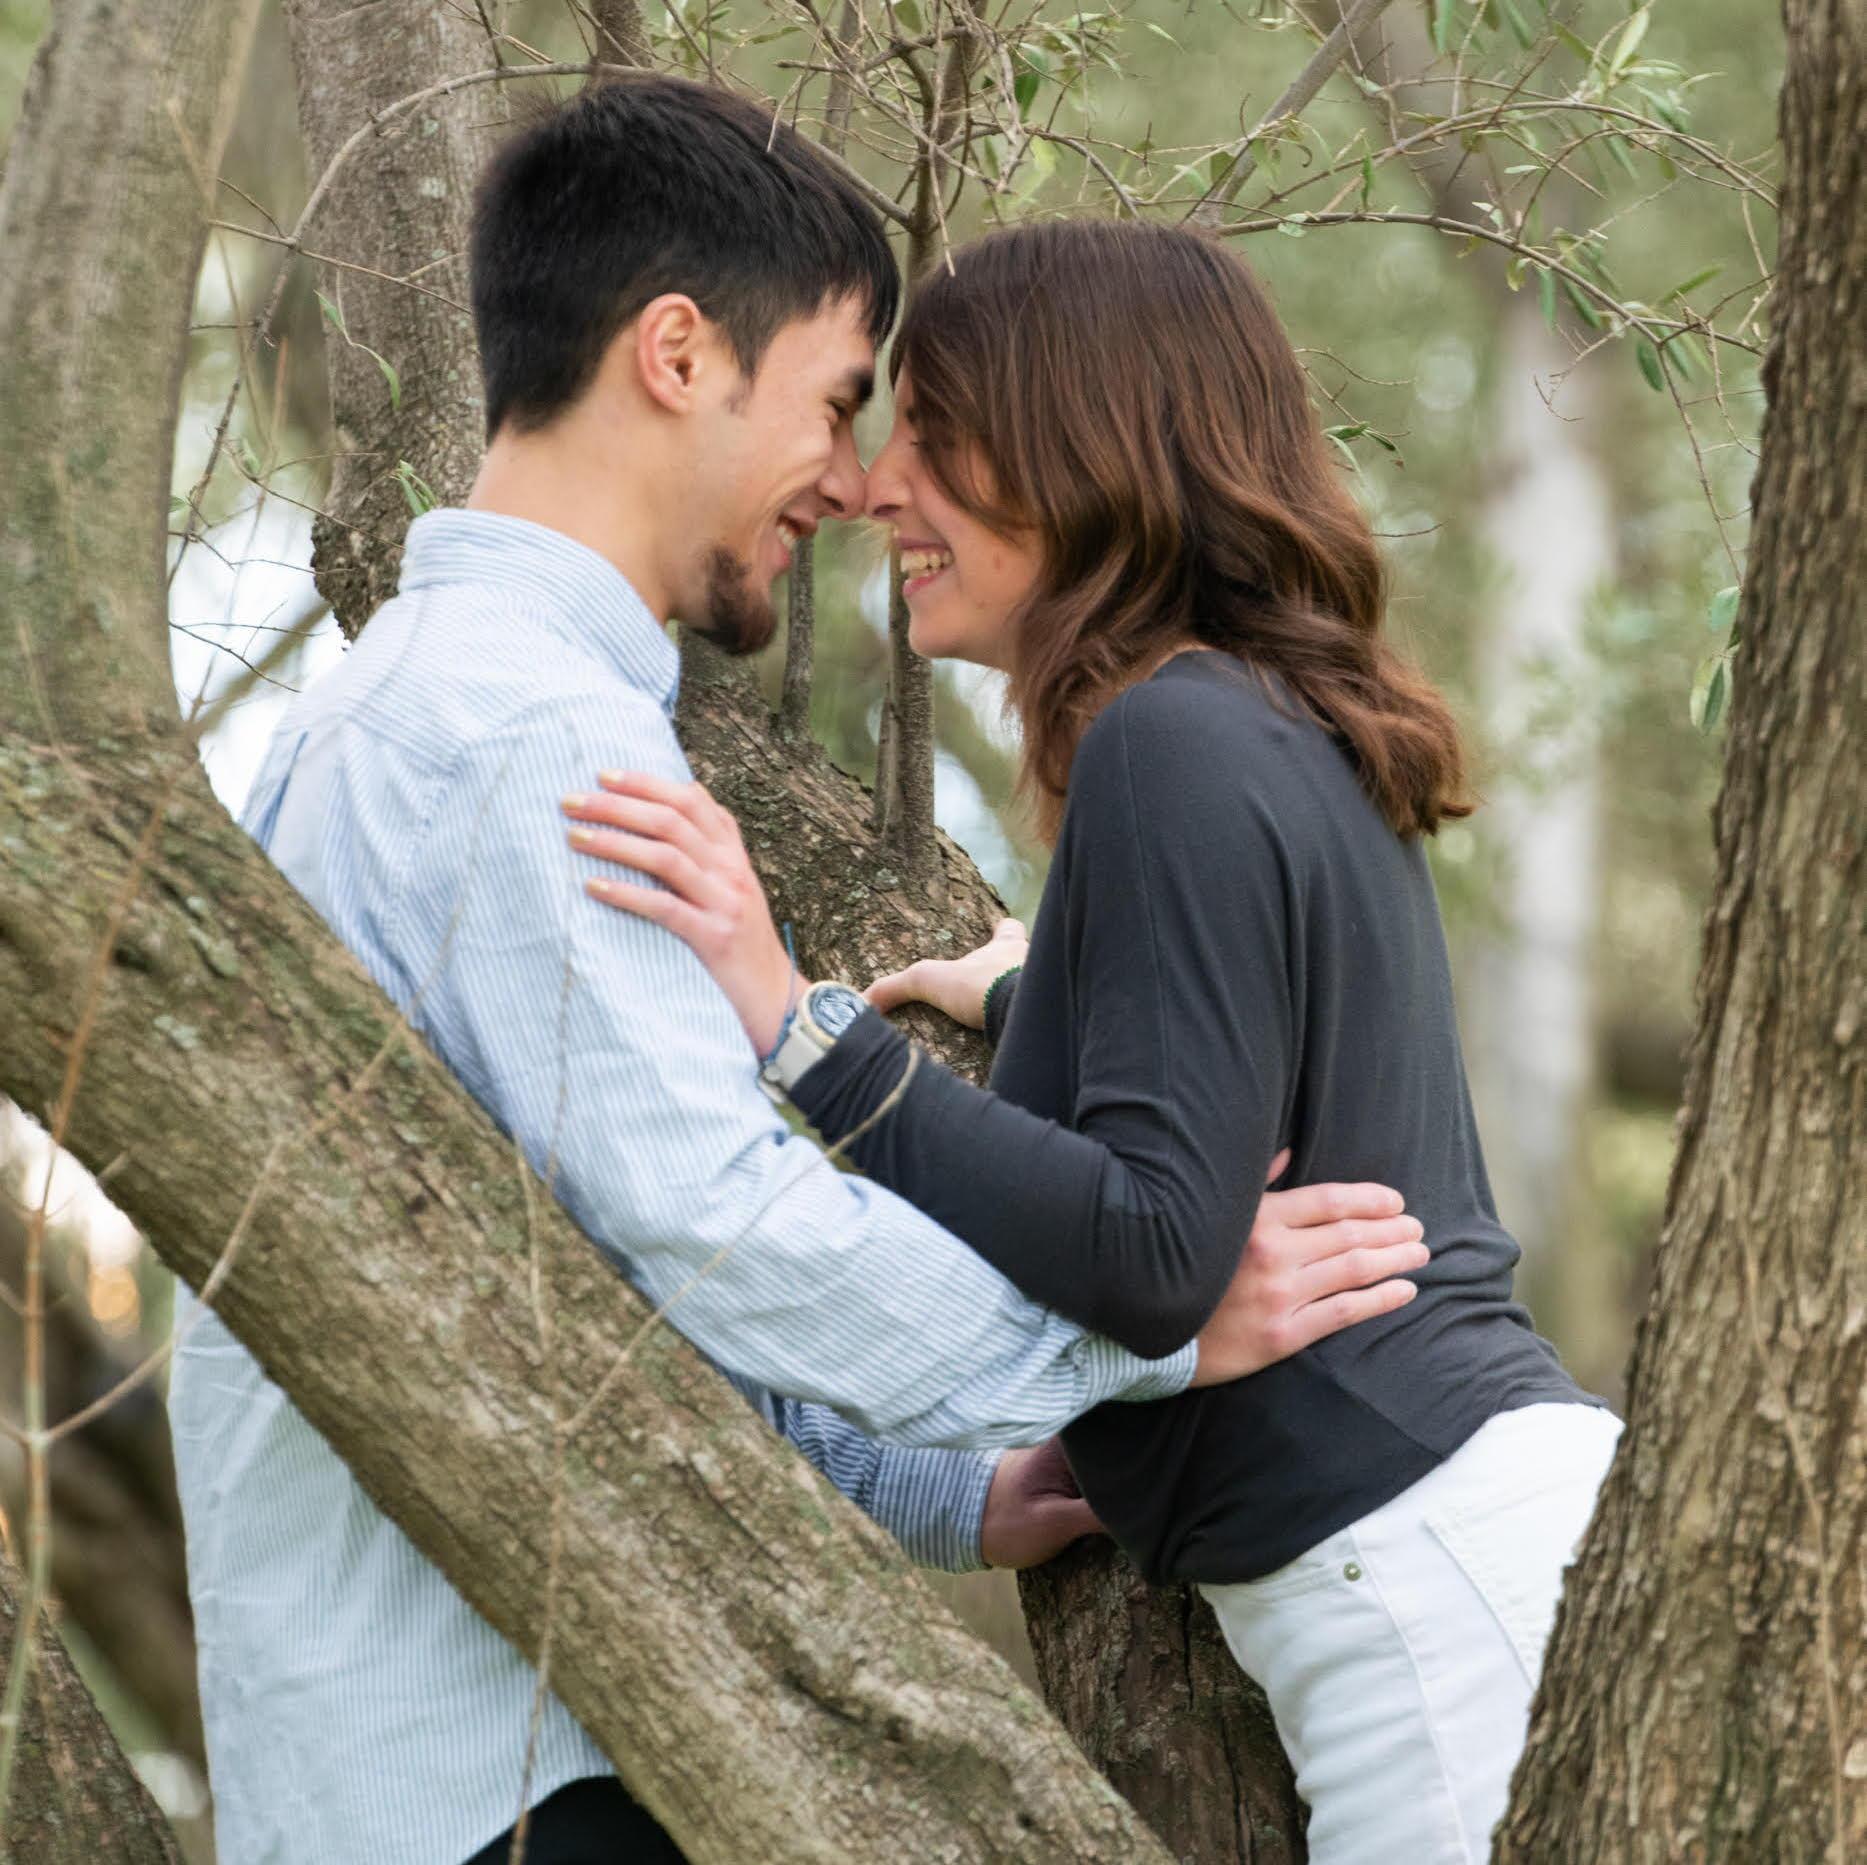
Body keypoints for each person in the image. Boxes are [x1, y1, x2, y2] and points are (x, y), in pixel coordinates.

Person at [167, 84, 1425, 1865]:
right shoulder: (514, 731)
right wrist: (1142, 1335)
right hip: (492, 1778)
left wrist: (951, 1488)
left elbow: (599, 1282)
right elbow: (717, 1226)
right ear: (677, 353)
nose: (853, 481)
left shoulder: (441, 707)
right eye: (839, 400)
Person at [571, 217, 1620, 1865]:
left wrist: (803, 1029)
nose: (875, 486)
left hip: (1432, 1601)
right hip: (1462, 1545)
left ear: (1084, 443)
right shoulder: (1254, 718)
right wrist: (1044, 983)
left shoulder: (1166, 742)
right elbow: (1232, 1045)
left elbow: (1151, 1250)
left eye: (937, 429)